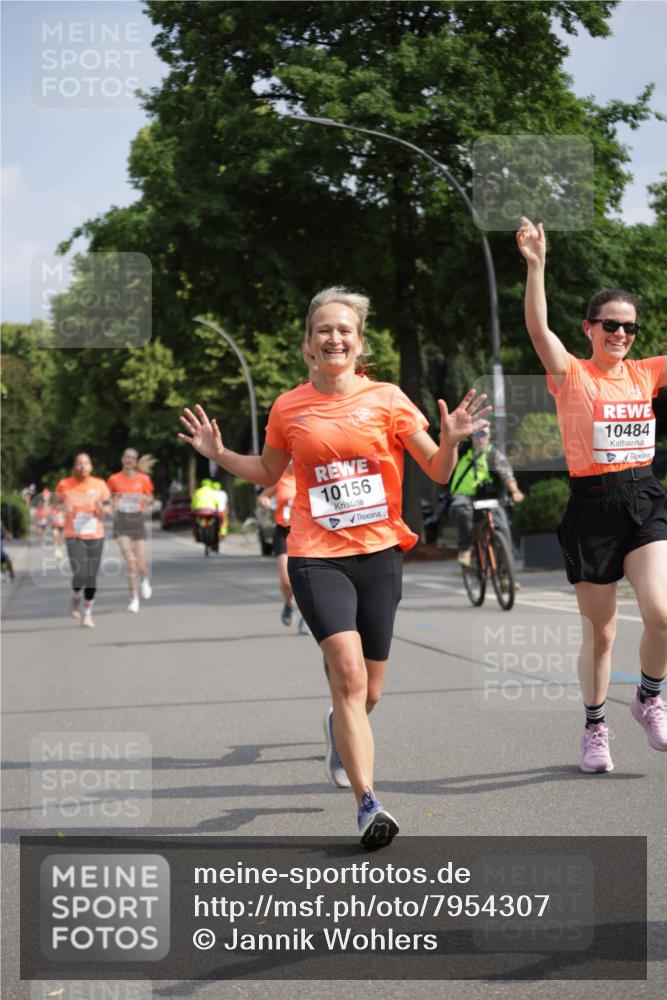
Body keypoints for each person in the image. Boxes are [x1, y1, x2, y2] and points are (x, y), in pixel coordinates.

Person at [179, 286, 490, 846]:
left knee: (369, 692)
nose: (334, 337)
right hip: (316, 556)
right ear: (307, 345)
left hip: (379, 554)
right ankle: (369, 804)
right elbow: (269, 471)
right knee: (346, 673)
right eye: (324, 329)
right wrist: (219, 455)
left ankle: (338, 728)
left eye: (344, 329)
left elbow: (437, 471)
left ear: (359, 342)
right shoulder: (288, 407)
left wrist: (450, 442)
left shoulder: (390, 399)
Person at [517, 216, 667, 772]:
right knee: (602, 635)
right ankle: (595, 727)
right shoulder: (571, 375)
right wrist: (537, 266)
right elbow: (537, 329)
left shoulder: (647, 373)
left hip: (645, 498)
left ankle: (649, 697)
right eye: (608, 324)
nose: (619, 333)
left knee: (662, 612)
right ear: (589, 328)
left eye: (627, 326)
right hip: (591, 508)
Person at [448, 426, 524, 566]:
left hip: (489, 498)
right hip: (464, 495)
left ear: (489, 437)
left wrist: (515, 491)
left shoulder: (494, 455)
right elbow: (447, 442)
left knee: (504, 527)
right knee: (462, 511)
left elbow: (507, 475)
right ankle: (465, 549)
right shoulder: (463, 451)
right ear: (471, 437)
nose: (480, 438)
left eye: (484, 434)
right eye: (477, 434)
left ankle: (505, 574)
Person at [55, 454, 111, 628]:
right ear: (74, 466)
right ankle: (75, 595)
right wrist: (62, 507)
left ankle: (87, 613)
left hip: (96, 534)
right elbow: (55, 505)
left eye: (86, 463)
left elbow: (108, 509)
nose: (82, 466)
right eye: (79, 463)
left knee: (91, 577)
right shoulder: (65, 484)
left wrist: (103, 508)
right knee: (80, 573)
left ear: (91, 467)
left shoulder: (100, 484)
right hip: (74, 535)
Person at [257, 461, 310, 635]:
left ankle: (306, 618)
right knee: (286, 581)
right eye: (286, 460)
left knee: (307, 580)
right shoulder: (280, 479)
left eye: (292, 460)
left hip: (304, 533)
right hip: (283, 531)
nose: (288, 463)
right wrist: (264, 500)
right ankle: (289, 603)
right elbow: (262, 497)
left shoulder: (308, 478)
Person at [107, 449, 154, 613]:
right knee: (130, 562)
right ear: (122, 459)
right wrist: (112, 505)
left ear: (136, 461)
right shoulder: (113, 479)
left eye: (133, 458)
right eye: (127, 457)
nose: (129, 460)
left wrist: (146, 500)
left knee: (141, 564)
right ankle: (134, 598)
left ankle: (145, 580)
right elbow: (110, 499)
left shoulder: (143, 479)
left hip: (137, 522)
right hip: (121, 523)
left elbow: (150, 499)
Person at [191, 478, 219, 551]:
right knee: (215, 523)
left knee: (196, 522)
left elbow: (193, 503)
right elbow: (216, 503)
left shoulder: (198, 491)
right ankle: (213, 538)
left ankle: (198, 535)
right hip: (210, 512)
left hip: (200, 512)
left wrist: (193, 510)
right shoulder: (212, 491)